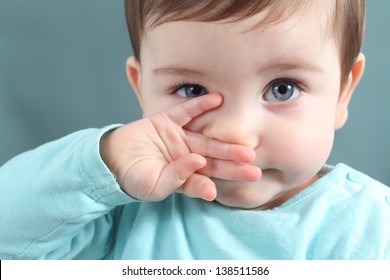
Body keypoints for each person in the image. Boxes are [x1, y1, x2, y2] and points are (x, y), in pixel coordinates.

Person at [0, 0, 389, 260]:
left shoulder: (375, 227)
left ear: (343, 91)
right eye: (192, 91)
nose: (236, 133)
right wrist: (106, 163)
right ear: (142, 89)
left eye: (282, 89)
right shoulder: (113, 216)